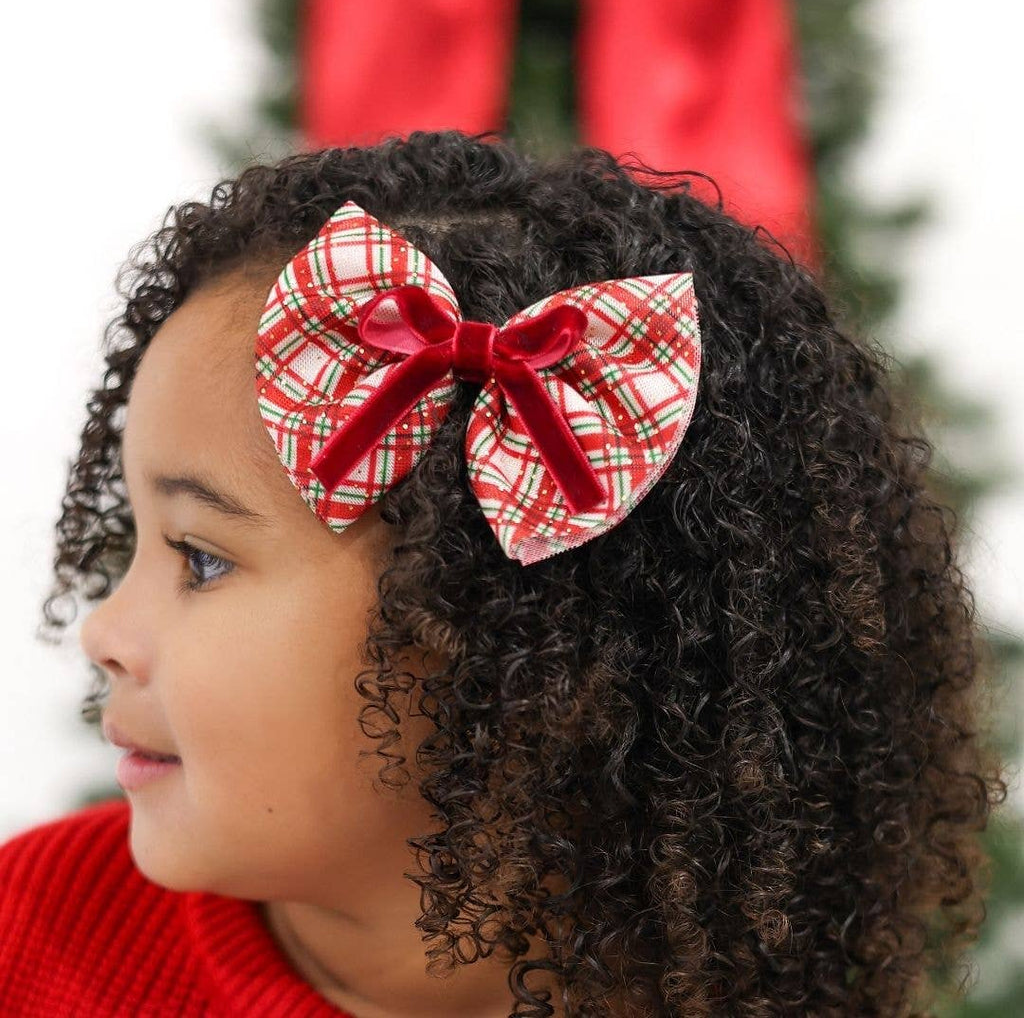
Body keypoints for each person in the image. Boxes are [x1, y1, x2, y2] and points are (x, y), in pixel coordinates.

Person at [0, 130, 1005, 1017]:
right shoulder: (27, 928)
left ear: (517, 649)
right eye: (140, 539)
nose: (104, 630)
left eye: (203, 558)